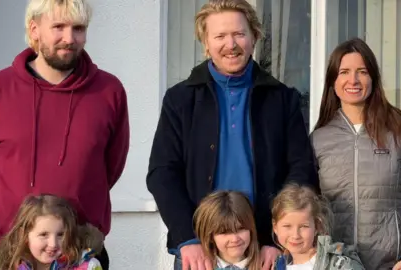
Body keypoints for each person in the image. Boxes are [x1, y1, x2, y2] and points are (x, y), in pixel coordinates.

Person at [146, 0, 318, 269]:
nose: (231, 44)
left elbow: (301, 169)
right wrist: (186, 238)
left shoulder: (282, 99)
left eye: (239, 34)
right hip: (199, 249)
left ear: (254, 37)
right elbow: (162, 173)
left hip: (264, 249)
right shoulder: (180, 100)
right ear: (205, 43)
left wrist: (277, 239)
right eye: (220, 36)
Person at [0, 0, 130, 269]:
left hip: (81, 249)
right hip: (11, 249)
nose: (70, 38)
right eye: (58, 27)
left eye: (78, 28)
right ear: (34, 30)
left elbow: (111, 165)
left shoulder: (108, 91)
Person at [311, 37, 401, 270]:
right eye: (344, 72)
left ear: (373, 78)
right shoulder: (319, 139)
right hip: (335, 266)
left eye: (362, 71)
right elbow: (305, 208)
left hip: (391, 265)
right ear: (333, 80)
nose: (353, 80)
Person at [0, 194, 103, 270]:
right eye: (44, 234)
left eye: (61, 234)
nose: (53, 244)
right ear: (25, 235)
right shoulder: (13, 266)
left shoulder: (88, 266)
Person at [271, 184, 364, 270]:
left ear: (317, 227)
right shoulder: (278, 266)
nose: (295, 235)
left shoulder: (338, 265)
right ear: (275, 227)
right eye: (287, 226)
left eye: (304, 226)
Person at [193, 190, 260, 270]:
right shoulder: (193, 266)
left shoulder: (272, 265)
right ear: (210, 236)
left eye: (241, 228)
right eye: (224, 232)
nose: (234, 239)